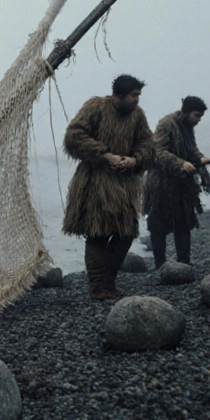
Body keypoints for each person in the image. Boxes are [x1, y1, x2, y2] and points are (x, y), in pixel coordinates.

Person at [63, 74, 156, 299]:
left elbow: (148, 145)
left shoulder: (138, 116)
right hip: (96, 182)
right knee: (97, 234)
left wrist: (135, 159)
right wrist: (105, 155)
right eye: (134, 95)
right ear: (121, 94)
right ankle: (98, 287)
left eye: (139, 95)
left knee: (125, 234)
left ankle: (109, 283)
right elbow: (74, 136)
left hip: (124, 184)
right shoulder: (96, 107)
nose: (137, 100)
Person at [143, 96, 210, 268]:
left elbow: (192, 149)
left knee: (184, 223)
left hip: (182, 185)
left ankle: (184, 262)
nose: (198, 120)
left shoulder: (188, 126)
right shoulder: (166, 124)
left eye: (200, 117)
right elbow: (157, 152)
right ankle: (160, 264)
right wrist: (180, 163)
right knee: (158, 225)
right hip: (161, 183)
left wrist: (200, 158)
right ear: (186, 112)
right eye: (196, 116)